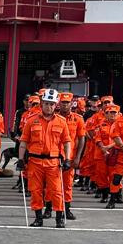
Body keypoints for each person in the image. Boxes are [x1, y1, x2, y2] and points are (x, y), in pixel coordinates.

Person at [18, 88, 72, 227]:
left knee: (56, 191)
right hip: (34, 162)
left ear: (56, 105)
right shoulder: (31, 120)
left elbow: (67, 142)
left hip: (53, 162)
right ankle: (38, 218)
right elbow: (24, 142)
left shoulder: (61, 121)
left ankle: (59, 218)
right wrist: (20, 159)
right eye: (47, 103)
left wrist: (67, 159)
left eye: (52, 104)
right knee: (35, 191)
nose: (49, 106)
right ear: (42, 103)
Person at [56, 91, 84, 220]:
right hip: (55, 156)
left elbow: (81, 139)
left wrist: (78, 157)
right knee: (52, 185)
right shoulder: (54, 118)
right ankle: (49, 208)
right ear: (59, 103)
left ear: (71, 103)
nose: (65, 105)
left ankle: (67, 210)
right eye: (63, 102)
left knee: (67, 184)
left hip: (70, 157)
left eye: (67, 102)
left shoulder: (78, 119)